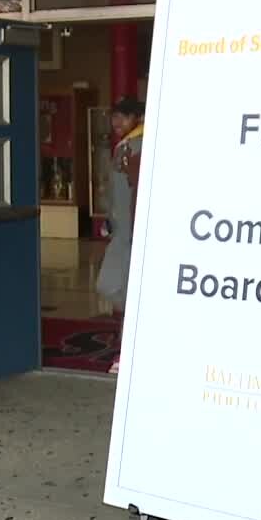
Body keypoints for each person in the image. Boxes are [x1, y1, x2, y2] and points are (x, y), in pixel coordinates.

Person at [96, 97, 144, 375]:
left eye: (123, 117)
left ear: (137, 117)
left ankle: (127, 354)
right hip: (128, 231)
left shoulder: (130, 148)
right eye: (114, 117)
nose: (117, 123)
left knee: (118, 287)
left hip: (128, 233)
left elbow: (120, 195)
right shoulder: (136, 144)